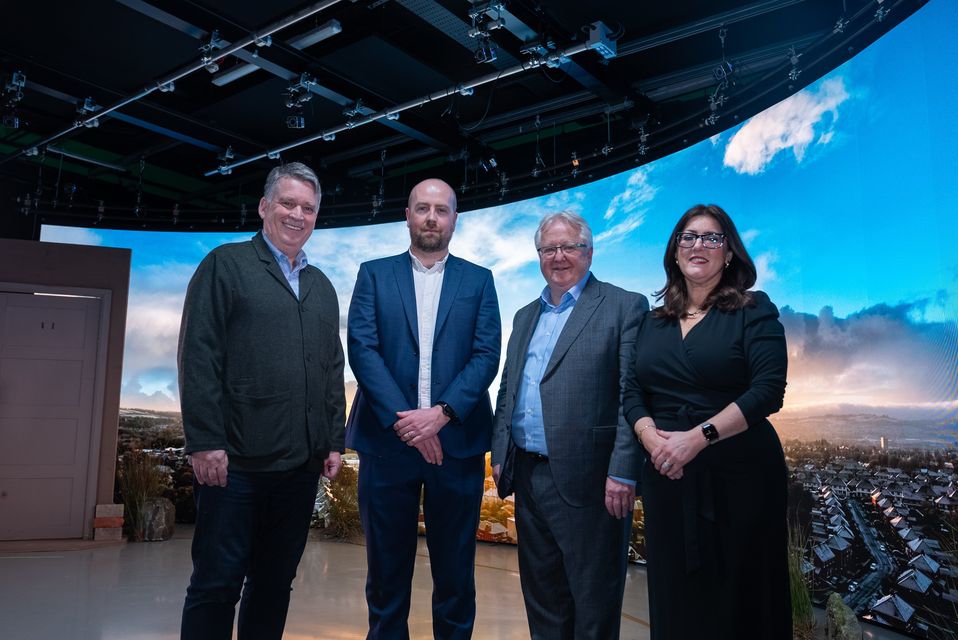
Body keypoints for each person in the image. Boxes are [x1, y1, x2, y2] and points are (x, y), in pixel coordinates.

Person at [177, 162, 345, 640]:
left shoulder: (322, 286)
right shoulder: (225, 265)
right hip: (235, 465)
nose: (297, 214)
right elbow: (199, 354)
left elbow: (333, 368)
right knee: (217, 583)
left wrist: (333, 440)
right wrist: (204, 440)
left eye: (308, 208)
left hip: (298, 466)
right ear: (264, 206)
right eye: (288, 203)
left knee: (274, 584)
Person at [623, 204, 790, 638]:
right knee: (675, 600)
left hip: (741, 477)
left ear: (729, 252)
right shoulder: (650, 322)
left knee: (742, 603)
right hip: (667, 475)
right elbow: (632, 392)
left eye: (712, 238)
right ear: (675, 251)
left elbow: (768, 391)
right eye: (688, 236)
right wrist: (650, 438)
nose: (699, 245)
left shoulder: (754, 309)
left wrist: (697, 439)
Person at [346, 178, 501, 640]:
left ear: (454, 219)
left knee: (455, 575)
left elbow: (486, 354)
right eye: (422, 208)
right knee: (386, 573)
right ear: (407, 215)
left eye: (442, 210)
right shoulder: (373, 274)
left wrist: (441, 414)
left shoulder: (480, 280)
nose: (431, 217)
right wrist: (410, 422)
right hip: (386, 443)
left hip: (457, 445)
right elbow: (363, 349)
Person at [490, 211, 648, 639]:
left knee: (593, 604)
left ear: (589, 252)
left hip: (594, 482)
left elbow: (630, 395)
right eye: (548, 249)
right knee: (543, 600)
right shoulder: (525, 316)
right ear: (538, 255)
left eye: (569, 247)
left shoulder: (624, 306)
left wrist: (622, 470)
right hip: (528, 476)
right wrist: (501, 452)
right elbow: (509, 389)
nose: (558, 257)